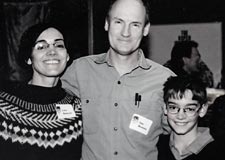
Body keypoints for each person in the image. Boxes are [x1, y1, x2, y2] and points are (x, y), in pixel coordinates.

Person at [61, 0, 175, 159]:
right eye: (118, 22)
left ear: (146, 29)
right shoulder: (79, 71)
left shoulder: (165, 80)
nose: (125, 33)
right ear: (107, 24)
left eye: (135, 24)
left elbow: (182, 133)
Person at [0, 23, 82, 160]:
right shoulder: (4, 107)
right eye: (41, 46)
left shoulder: (77, 107)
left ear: (67, 56)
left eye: (59, 45)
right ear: (28, 58)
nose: (52, 51)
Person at [157, 76, 225, 160]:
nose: (180, 116)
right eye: (173, 108)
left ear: (202, 110)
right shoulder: (157, 145)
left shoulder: (218, 151)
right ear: (165, 108)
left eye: (189, 109)